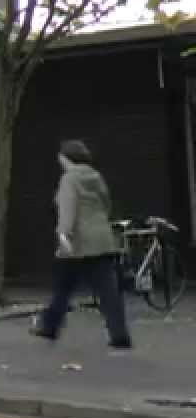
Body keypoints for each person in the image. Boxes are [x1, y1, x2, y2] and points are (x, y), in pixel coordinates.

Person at [31, 140, 131, 348]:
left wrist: (63, 235)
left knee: (63, 288)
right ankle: (120, 335)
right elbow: (106, 204)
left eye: (61, 159)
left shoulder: (69, 178)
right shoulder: (95, 176)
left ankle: (49, 327)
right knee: (109, 292)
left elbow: (67, 208)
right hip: (103, 239)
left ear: (66, 158)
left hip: (79, 243)